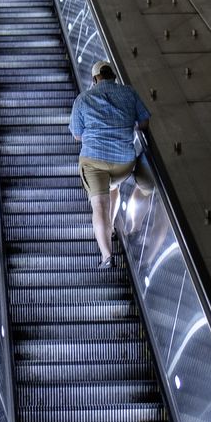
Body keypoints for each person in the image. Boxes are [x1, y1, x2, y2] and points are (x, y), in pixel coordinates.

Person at [68, 61, 149, 268]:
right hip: (123, 163)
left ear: (94, 79)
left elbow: (77, 135)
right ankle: (111, 226)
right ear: (113, 75)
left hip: (94, 162)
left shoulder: (83, 99)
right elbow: (144, 122)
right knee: (112, 187)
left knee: (99, 205)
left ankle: (106, 256)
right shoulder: (129, 93)